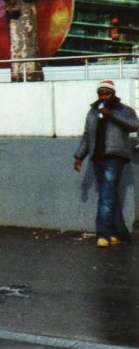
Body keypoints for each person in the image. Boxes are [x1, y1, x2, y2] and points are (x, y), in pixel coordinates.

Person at [73, 80, 139, 248]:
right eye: (100, 93)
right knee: (109, 196)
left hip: (114, 156)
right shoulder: (93, 112)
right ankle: (119, 233)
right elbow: (87, 135)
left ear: (113, 94)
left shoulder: (124, 110)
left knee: (106, 196)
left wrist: (111, 114)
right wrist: (79, 156)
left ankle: (102, 234)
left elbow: (134, 126)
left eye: (106, 93)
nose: (103, 96)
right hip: (98, 157)